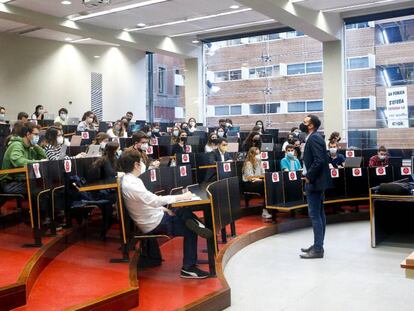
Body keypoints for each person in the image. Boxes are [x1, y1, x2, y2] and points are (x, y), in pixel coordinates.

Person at [119, 150, 212, 279]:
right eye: (141, 161)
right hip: (154, 223)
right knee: (189, 229)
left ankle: (196, 223)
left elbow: (148, 202)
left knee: (180, 210)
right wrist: (180, 196)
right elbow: (154, 200)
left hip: (155, 215)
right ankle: (188, 268)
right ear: (136, 164)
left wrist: (164, 209)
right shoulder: (132, 185)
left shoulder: (130, 180)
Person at [300, 115, 332, 259]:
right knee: (319, 214)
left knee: (315, 215)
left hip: (314, 182)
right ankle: (318, 245)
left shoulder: (314, 138)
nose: (302, 123)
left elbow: (319, 161)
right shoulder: (313, 137)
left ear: (311, 125)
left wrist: (309, 176)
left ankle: (318, 249)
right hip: (316, 181)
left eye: (305, 122)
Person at [0, 122, 47, 194]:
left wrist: (36, 146)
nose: (38, 137)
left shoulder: (30, 147)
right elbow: (19, 161)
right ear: (28, 134)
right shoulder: (16, 145)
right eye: (36, 134)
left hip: (21, 179)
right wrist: (38, 162)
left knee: (45, 185)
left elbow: (44, 158)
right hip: (9, 182)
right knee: (40, 189)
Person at [90, 141, 120, 238]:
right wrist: (119, 174)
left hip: (109, 188)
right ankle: (103, 231)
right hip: (102, 191)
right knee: (110, 207)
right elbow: (111, 173)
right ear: (113, 150)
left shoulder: (113, 159)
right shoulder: (104, 160)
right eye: (117, 149)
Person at [242, 147, 271, 219]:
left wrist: (260, 179)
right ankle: (264, 211)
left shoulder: (260, 162)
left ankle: (270, 208)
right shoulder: (248, 163)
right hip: (249, 184)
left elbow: (263, 174)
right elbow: (249, 177)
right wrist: (258, 179)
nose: (258, 156)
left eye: (259, 154)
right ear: (252, 154)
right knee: (264, 185)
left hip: (258, 181)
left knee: (268, 184)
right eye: (256, 154)